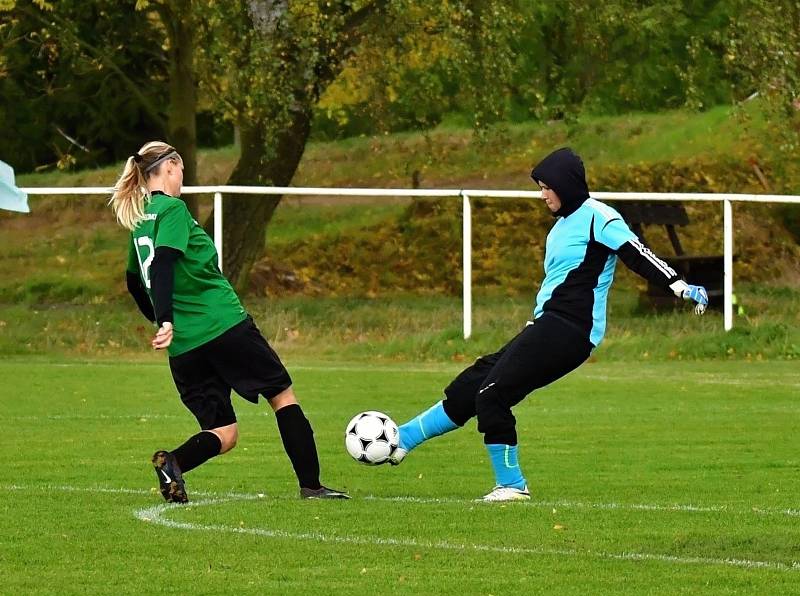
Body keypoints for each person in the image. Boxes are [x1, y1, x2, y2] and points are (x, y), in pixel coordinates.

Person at [387, 147, 709, 502]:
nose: (542, 195)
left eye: (547, 187)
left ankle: (511, 485)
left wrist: (678, 284)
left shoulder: (598, 217)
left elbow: (636, 252)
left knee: (493, 394)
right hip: (546, 324)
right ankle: (404, 438)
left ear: (566, 185)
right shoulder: (558, 228)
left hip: (572, 330)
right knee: (473, 383)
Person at [110, 141, 349, 502]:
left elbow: (134, 281)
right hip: (224, 327)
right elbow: (162, 264)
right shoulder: (172, 210)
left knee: (223, 431)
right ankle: (312, 486)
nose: (182, 178)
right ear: (171, 167)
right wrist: (166, 319)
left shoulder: (140, 220)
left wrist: (165, 324)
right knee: (282, 396)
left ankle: (172, 463)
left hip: (185, 347)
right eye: (181, 170)